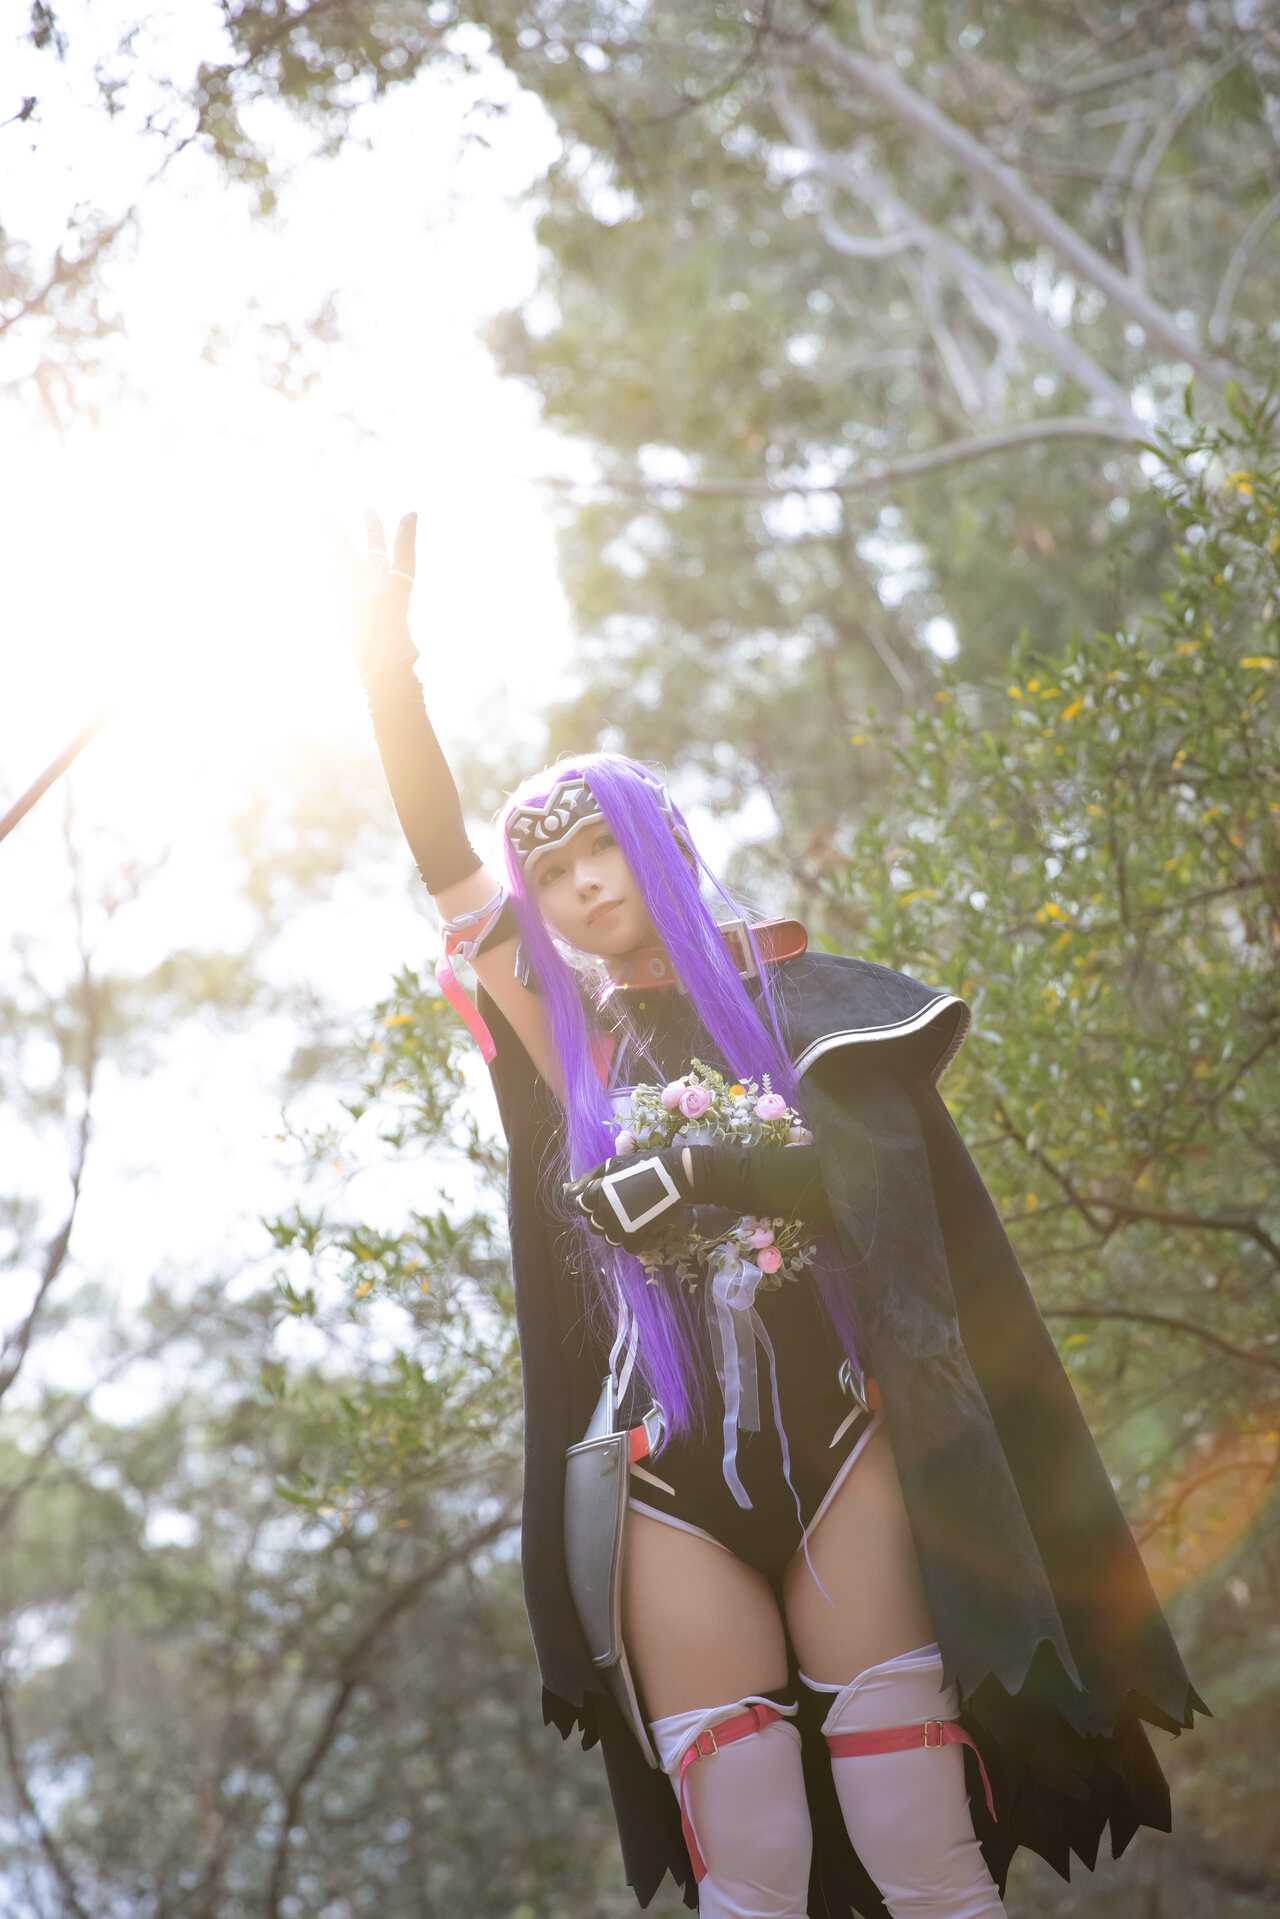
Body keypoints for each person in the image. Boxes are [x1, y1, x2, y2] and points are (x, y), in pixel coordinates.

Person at [348, 509, 1210, 1918]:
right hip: (662, 1472)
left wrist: (708, 1172)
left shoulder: (803, 1005)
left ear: (661, 844)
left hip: (843, 1438)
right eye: (553, 874)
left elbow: (867, 1191)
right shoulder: (573, 1042)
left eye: (602, 851)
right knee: (747, 1864)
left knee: (921, 1848)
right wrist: (387, 666)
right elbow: (442, 858)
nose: (581, 886)